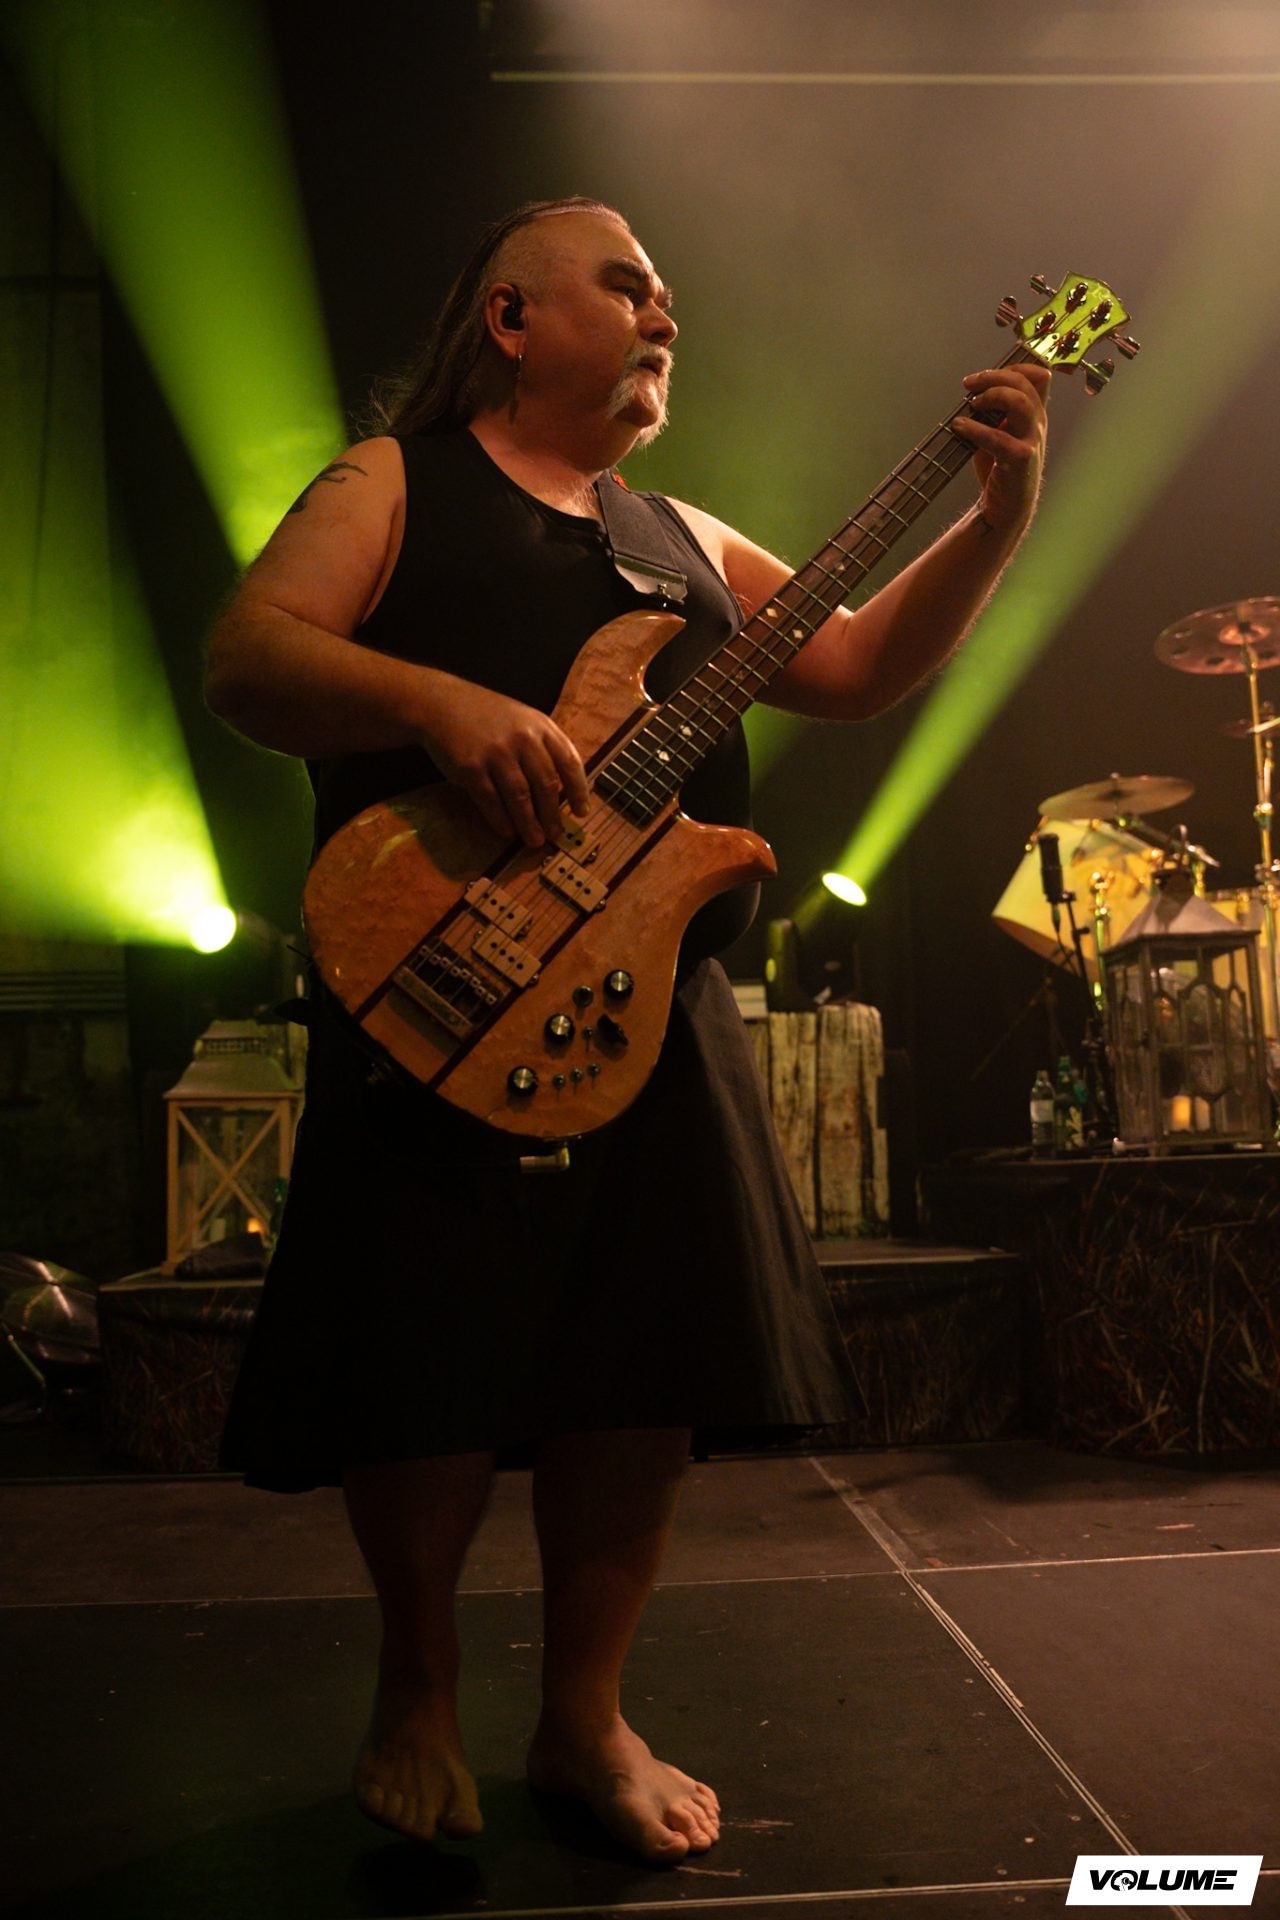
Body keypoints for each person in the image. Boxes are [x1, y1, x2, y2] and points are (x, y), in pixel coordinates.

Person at [206, 195, 1048, 1866]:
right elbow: (249, 656)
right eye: (629, 285)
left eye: (668, 295)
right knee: (422, 1349)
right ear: (512, 319)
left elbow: (858, 663)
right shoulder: (396, 482)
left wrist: (1001, 512)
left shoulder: (678, 537)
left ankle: (585, 1716)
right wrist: (440, 704)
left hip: (653, 999)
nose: (667, 313)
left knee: (645, 1360)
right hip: (442, 976)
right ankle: (418, 1690)